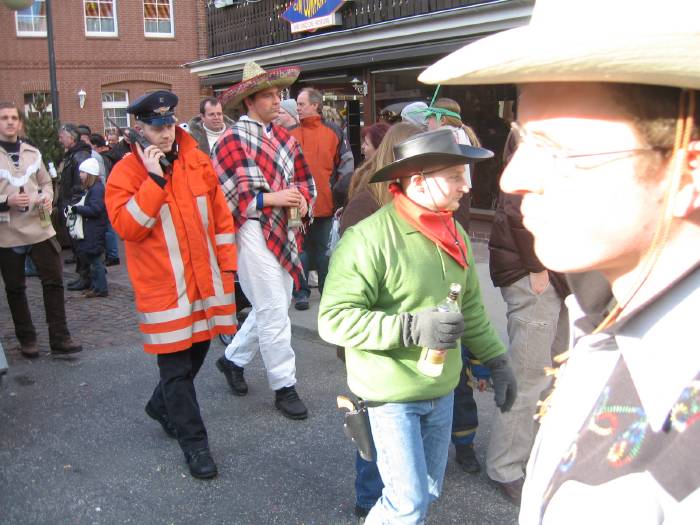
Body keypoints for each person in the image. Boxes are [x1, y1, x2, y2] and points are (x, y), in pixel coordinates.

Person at [420, 0, 700, 521]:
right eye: (524, 140)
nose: (512, 178)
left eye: (562, 149)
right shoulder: (604, 323)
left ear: (688, 174)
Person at [319, 128, 517, 524]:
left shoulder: (455, 234)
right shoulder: (367, 239)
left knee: (426, 492)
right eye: (455, 176)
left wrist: (496, 359)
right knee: (406, 503)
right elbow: (333, 320)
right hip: (390, 395)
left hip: (441, 389)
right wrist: (412, 328)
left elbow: (471, 308)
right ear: (419, 181)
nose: (466, 186)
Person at [105, 90, 237, 479]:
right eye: (155, 127)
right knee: (176, 369)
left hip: (205, 282)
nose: (164, 134)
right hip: (165, 288)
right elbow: (127, 227)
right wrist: (153, 179)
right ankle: (196, 445)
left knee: (198, 353)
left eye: (168, 125)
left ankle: (160, 405)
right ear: (139, 129)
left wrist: (228, 268)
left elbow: (221, 218)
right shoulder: (125, 173)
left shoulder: (197, 159)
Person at [212, 61, 316, 420]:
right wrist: (272, 198)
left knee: (273, 305)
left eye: (278, 94)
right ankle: (284, 386)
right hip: (251, 228)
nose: (276, 100)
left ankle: (232, 359)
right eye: (269, 95)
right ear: (249, 101)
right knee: (272, 307)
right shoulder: (231, 139)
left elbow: (303, 180)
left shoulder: (285, 139)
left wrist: (303, 199)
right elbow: (222, 197)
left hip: (285, 228)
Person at [0, 101, 82, 357]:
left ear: (20, 123)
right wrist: (7, 200)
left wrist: (47, 197)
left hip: (40, 225)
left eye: (14, 118)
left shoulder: (32, 152)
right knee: (15, 288)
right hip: (8, 230)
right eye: (4, 118)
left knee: (54, 281)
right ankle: (27, 339)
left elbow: (47, 182)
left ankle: (60, 337)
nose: (10, 122)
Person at [290, 87, 354, 310]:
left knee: (324, 253)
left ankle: (328, 292)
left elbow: (346, 165)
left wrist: (338, 195)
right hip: (296, 203)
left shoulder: (333, 131)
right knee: (300, 250)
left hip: (325, 203)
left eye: (301, 104)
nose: (298, 108)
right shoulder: (290, 133)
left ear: (315, 105)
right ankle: (301, 293)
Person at [57, 123, 93, 284]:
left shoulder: (79, 156)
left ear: (71, 138)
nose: (60, 140)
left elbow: (82, 183)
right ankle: (82, 275)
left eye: (62, 137)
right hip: (71, 204)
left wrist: (73, 204)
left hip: (76, 205)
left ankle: (86, 277)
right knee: (76, 243)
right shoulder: (72, 155)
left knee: (81, 243)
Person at [71, 158, 108, 298]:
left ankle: (100, 288)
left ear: (89, 174)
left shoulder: (96, 189)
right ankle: (95, 286)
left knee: (96, 261)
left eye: (82, 172)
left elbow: (95, 210)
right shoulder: (95, 188)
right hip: (94, 229)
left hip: (95, 230)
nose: (80, 175)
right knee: (93, 260)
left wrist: (77, 209)